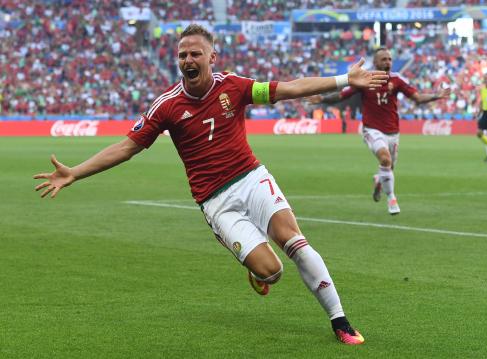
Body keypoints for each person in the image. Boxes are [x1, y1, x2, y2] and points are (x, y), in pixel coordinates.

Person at [33, 24, 388, 345]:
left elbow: (290, 89)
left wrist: (344, 79)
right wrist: (75, 172)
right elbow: (127, 147)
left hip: (252, 179)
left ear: (211, 57)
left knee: (296, 242)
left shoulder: (234, 86)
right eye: (182, 54)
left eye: (195, 53)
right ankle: (254, 266)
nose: (188, 59)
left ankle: (340, 321)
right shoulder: (167, 106)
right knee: (273, 271)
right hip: (216, 202)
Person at [309, 48, 448, 215]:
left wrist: (436, 96)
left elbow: (417, 98)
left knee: (389, 166)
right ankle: (392, 199)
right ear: (375, 63)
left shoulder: (397, 80)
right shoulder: (365, 80)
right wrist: (322, 99)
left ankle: (379, 180)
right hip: (372, 129)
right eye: (384, 59)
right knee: (385, 158)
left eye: (389, 59)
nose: (388, 62)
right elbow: (342, 96)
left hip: (393, 132)